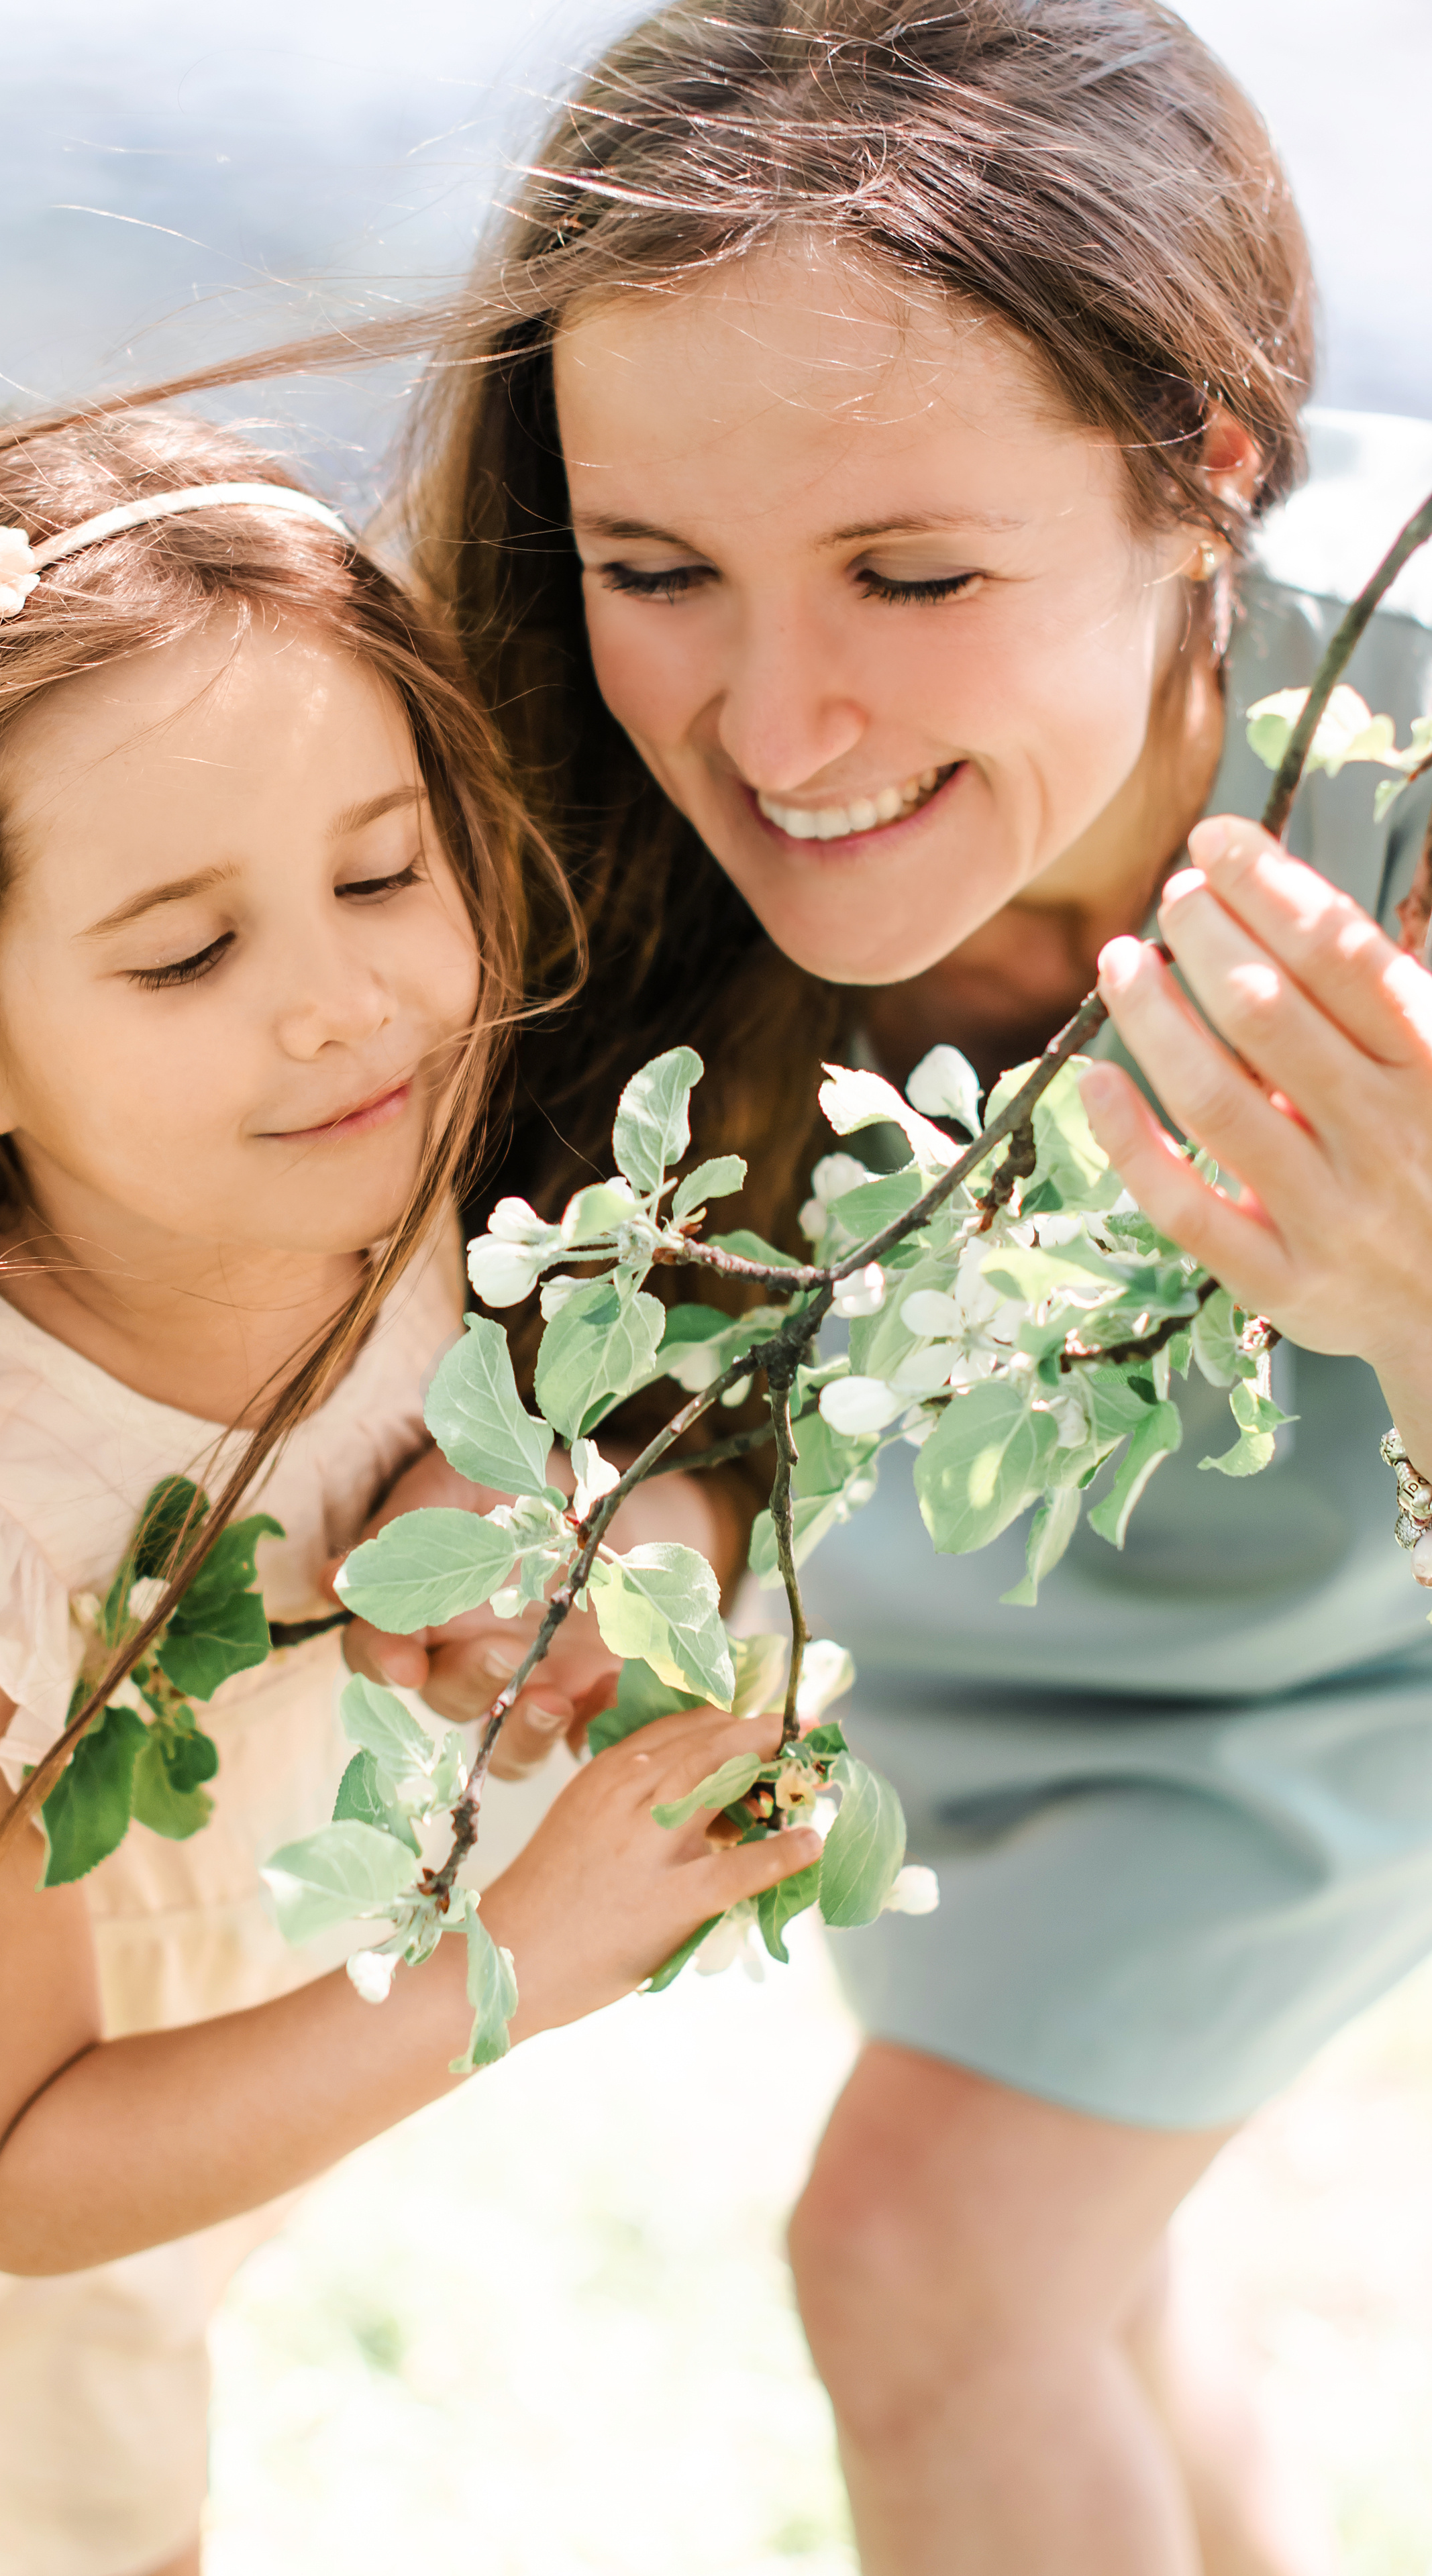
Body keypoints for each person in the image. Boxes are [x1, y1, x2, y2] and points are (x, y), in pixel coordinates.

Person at [323, 4, 1432, 2568]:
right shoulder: (544, 784)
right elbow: (687, 1378)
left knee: (933, 2264)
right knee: (1095, 2304)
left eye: (915, 576)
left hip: (1361, 1666)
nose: (776, 721)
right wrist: (650, 1550)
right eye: (653, 571)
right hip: (948, 1658)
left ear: (1206, 483)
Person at [0, 406, 821, 2576]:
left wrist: (567, 1538)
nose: (339, 1004)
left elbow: (566, 1451)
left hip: (205, 2127)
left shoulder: (382, 1207)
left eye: (380, 872)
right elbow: (17, 2168)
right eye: (184, 952)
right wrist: (521, 1953)